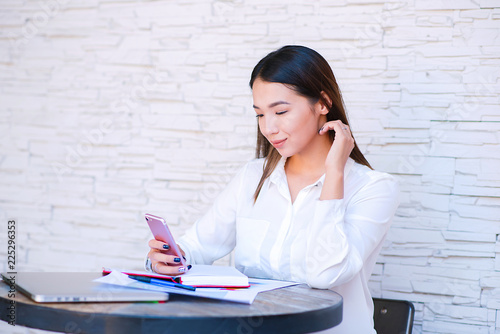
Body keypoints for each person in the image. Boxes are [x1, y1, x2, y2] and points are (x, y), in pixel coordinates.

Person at [146, 45, 399, 333]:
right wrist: (169, 259)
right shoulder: (253, 177)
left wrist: (334, 173)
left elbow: (324, 274)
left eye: (280, 111)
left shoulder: (375, 189)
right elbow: (198, 246)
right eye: (259, 115)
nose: (269, 128)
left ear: (323, 103)